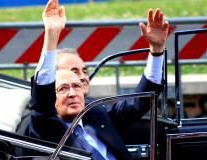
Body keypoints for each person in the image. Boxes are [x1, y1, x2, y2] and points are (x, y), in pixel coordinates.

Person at [24, 0, 169, 159]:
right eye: (63, 88)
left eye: (77, 84)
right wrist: (51, 35)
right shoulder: (45, 127)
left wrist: (156, 52)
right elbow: (42, 102)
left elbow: (138, 102)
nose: (82, 79)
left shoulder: (94, 112)